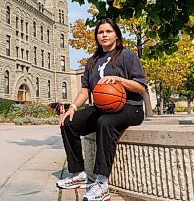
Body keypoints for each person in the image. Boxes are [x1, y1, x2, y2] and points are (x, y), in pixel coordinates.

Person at [56, 18, 147, 201]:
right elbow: (85, 90)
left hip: (131, 107)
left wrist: (119, 80)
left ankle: (101, 182)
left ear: (116, 35)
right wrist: (72, 107)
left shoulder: (127, 56)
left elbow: (141, 87)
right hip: (103, 107)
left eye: (108, 31)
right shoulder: (92, 61)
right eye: (100, 32)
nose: (104, 35)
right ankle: (78, 174)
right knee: (68, 123)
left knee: (104, 122)